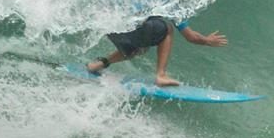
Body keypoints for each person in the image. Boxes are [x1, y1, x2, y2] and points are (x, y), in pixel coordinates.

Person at [86, 16, 228, 86]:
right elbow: (190, 37)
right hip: (132, 28)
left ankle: (99, 64)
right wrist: (207, 41)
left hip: (111, 27)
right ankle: (161, 75)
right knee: (167, 29)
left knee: (138, 49)